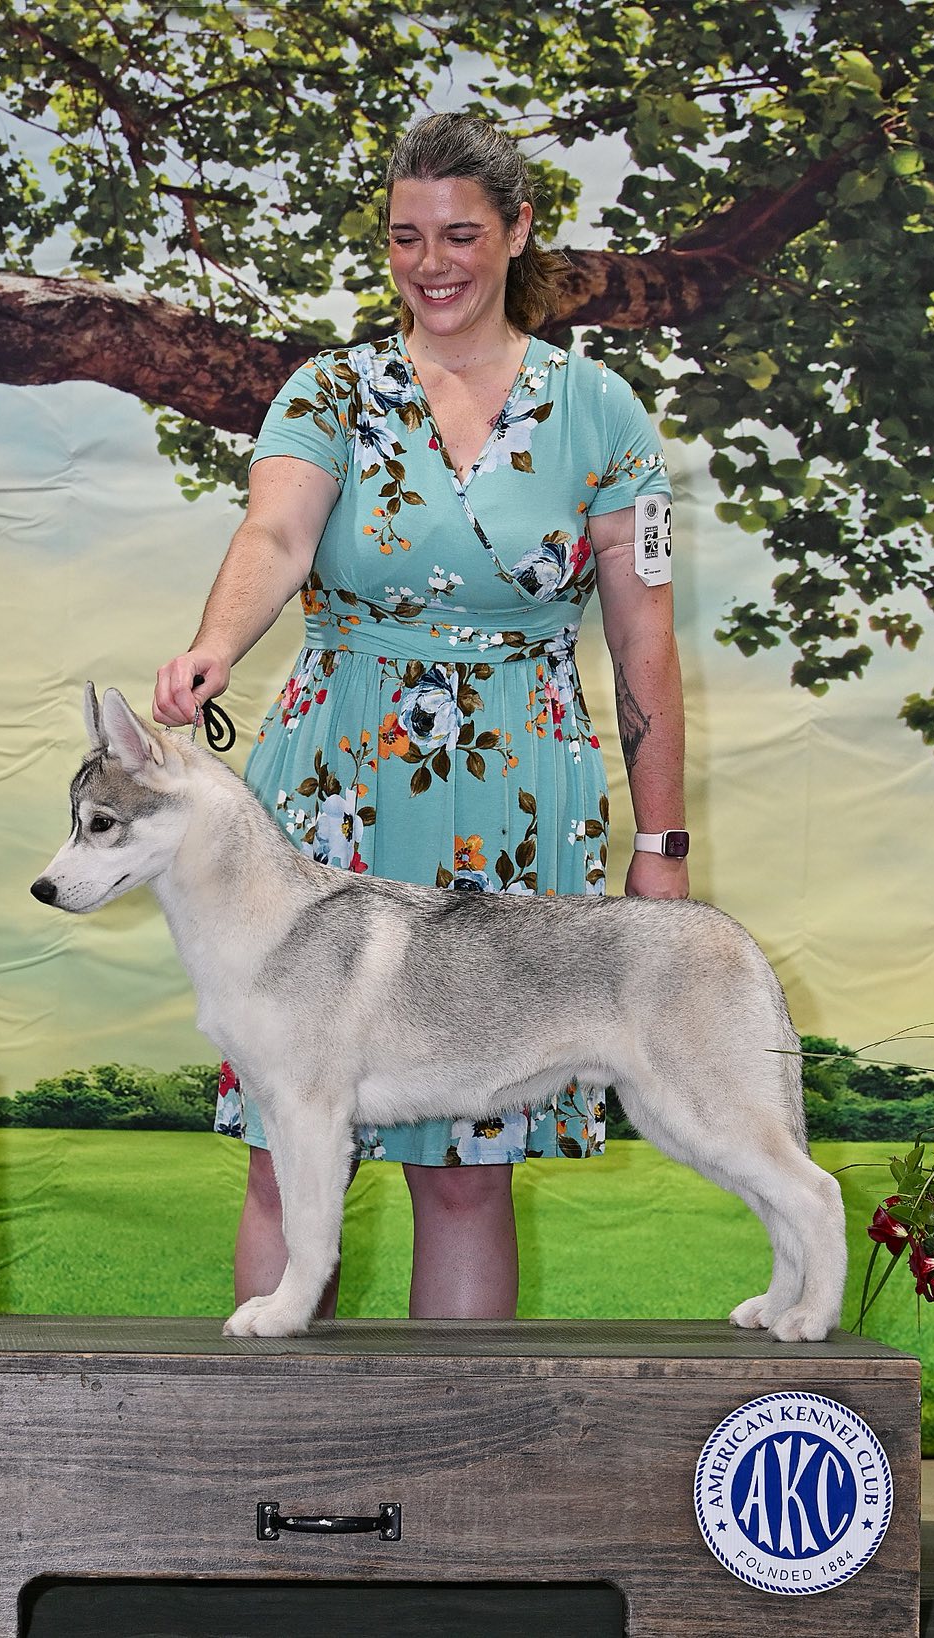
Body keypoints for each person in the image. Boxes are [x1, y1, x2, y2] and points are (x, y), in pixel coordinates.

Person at [154, 112, 687, 1322]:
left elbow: (642, 641)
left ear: (516, 232)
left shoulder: (601, 412)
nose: (430, 262)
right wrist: (213, 643)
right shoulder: (331, 389)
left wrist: (660, 850)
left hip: (518, 799)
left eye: (458, 234)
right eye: (404, 238)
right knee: (287, 1150)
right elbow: (275, 533)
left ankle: (454, 1483)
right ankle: (274, 1459)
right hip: (332, 786)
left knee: (467, 1166)